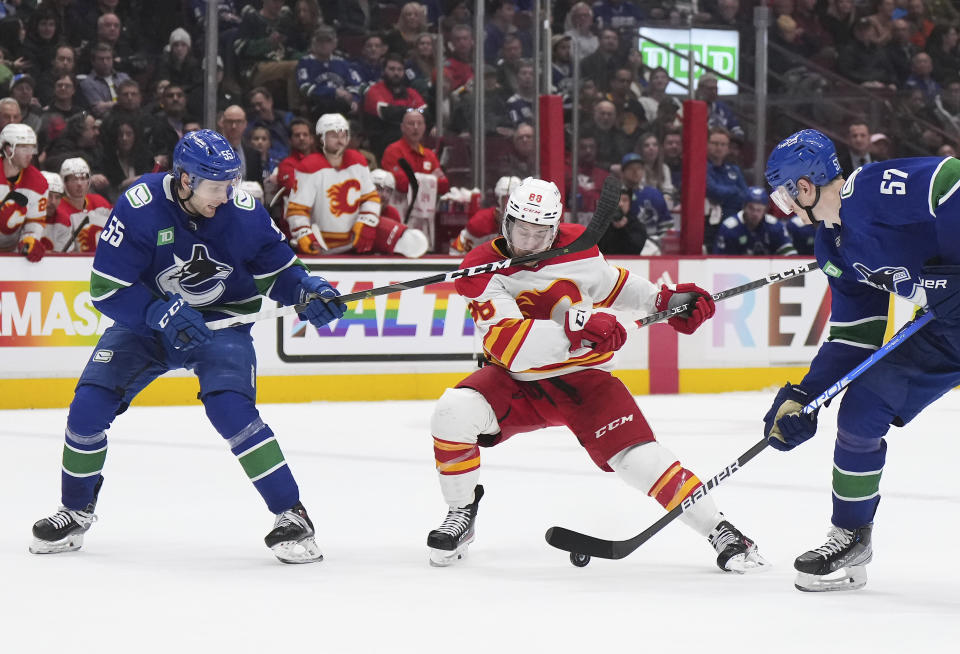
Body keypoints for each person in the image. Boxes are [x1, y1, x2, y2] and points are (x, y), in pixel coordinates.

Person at [29, 129, 346, 563]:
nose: (226, 194)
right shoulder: (140, 206)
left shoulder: (243, 210)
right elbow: (105, 288)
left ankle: (292, 516)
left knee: (231, 411)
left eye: (230, 183)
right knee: (87, 408)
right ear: (184, 180)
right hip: (147, 321)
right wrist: (158, 313)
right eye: (216, 187)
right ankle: (75, 511)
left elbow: (280, 272)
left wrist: (308, 290)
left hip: (221, 321)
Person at [426, 177, 768, 572]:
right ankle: (460, 513)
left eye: (541, 234)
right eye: (522, 231)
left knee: (641, 460)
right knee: (454, 410)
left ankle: (721, 530)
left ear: (554, 229)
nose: (529, 243)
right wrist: (575, 326)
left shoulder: (578, 246)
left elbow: (612, 285)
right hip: (516, 384)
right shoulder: (481, 270)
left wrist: (665, 299)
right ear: (507, 223)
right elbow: (510, 349)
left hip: (586, 383)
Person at [762, 128, 960, 591]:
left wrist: (955, 268)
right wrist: (806, 397)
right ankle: (852, 534)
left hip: (951, 308)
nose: (786, 207)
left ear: (804, 187)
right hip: (948, 328)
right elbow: (856, 335)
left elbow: (951, 179)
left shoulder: (871, 189)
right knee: (860, 409)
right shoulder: (832, 246)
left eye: (784, 195)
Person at [286, 113, 429, 257]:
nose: (340, 140)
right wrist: (303, 234)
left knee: (414, 242)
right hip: (323, 240)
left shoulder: (357, 160)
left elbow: (371, 198)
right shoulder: (309, 166)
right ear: (321, 138)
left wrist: (366, 222)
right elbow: (297, 209)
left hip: (356, 234)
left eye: (343, 135)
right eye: (334, 135)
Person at [0, 123, 49, 262]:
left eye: (32, 147)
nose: (30, 153)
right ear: (8, 149)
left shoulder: (38, 182)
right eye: (23, 147)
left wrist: (29, 240)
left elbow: (35, 222)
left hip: (12, 254)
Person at [712, 186, 797, 255]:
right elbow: (721, 261)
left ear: (765, 210)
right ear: (744, 207)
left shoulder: (775, 226)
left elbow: (790, 255)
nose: (755, 213)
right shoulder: (729, 228)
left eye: (759, 209)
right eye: (751, 208)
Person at [449, 175, 520, 255]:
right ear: (499, 200)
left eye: (516, 200)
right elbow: (458, 254)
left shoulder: (527, 224)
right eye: (507, 199)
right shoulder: (481, 222)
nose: (511, 205)